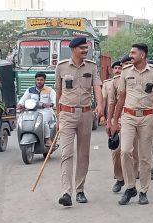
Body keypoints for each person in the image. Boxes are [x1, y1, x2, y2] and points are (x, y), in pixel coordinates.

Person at [109, 43, 153, 205]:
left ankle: (143, 190)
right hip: (128, 116)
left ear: (142, 55)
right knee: (125, 151)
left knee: (145, 156)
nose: (130, 55)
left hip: (147, 117)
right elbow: (121, 97)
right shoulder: (125, 72)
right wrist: (114, 120)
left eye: (133, 53)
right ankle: (130, 186)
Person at [55, 37, 104, 207]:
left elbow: (97, 86)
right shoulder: (61, 67)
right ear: (73, 49)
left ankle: (80, 189)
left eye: (86, 48)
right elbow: (58, 92)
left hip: (85, 114)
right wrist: (58, 115)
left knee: (83, 154)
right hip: (66, 114)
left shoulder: (91, 66)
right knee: (66, 153)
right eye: (82, 48)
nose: (85, 50)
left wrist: (100, 105)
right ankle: (66, 192)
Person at [104, 60, 139, 193]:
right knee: (117, 150)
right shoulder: (115, 81)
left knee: (133, 151)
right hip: (119, 118)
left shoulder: (139, 77)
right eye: (124, 64)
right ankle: (119, 178)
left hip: (136, 117)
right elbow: (111, 102)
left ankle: (132, 180)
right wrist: (110, 121)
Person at [18, 72, 56, 146]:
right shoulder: (30, 90)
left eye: (41, 80)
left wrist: (51, 104)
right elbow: (23, 99)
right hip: (32, 111)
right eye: (37, 79)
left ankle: (47, 139)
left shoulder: (50, 90)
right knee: (23, 119)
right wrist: (20, 105)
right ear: (35, 80)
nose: (39, 81)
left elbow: (55, 101)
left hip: (46, 111)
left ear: (44, 81)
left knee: (43, 120)